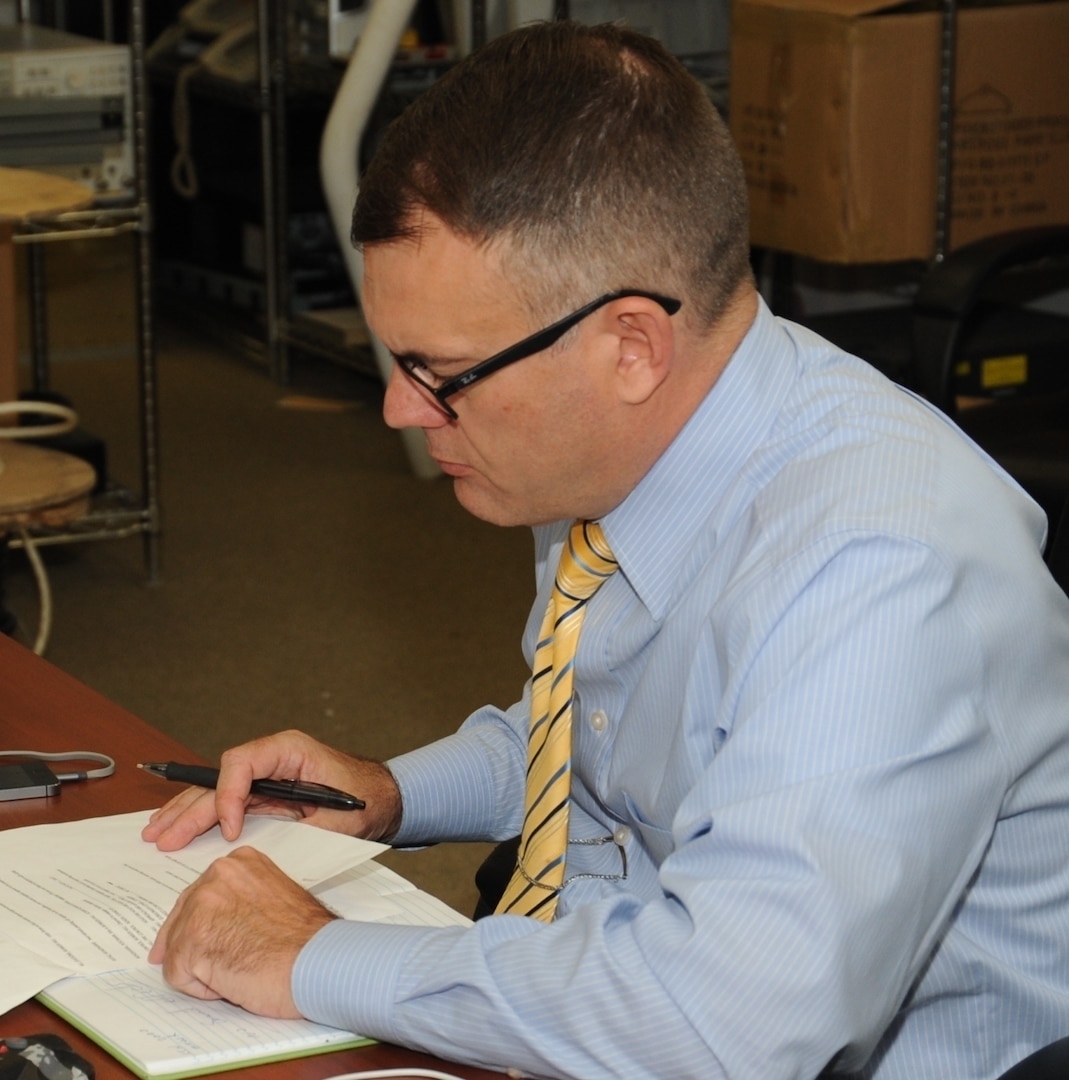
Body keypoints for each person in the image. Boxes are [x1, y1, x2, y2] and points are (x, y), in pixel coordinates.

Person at [142, 20, 1069, 1080]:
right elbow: (595, 724)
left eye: (436, 371)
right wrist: (390, 794)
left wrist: (313, 956)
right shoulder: (626, 439)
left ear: (630, 344)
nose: (399, 409)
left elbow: (730, 1027)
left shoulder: (884, 572)